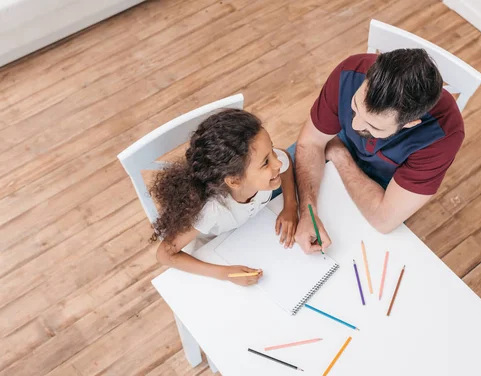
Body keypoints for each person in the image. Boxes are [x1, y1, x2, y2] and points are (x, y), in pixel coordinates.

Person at [294, 49, 464, 253]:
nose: (355, 125)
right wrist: (307, 212)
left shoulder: (443, 134)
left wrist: (340, 156)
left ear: (410, 123)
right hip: (333, 153)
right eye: (355, 107)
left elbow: (384, 219)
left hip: (383, 185)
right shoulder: (351, 72)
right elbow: (310, 142)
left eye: (373, 127)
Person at [151, 109, 298, 286]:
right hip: (213, 248)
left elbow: (286, 159)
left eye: (272, 150)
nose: (278, 163)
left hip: (251, 233)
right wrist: (225, 274)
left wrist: (290, 205)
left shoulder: (271, 169)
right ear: (235, 181)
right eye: (266, 162)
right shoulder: (210, 211)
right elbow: (164, 254)